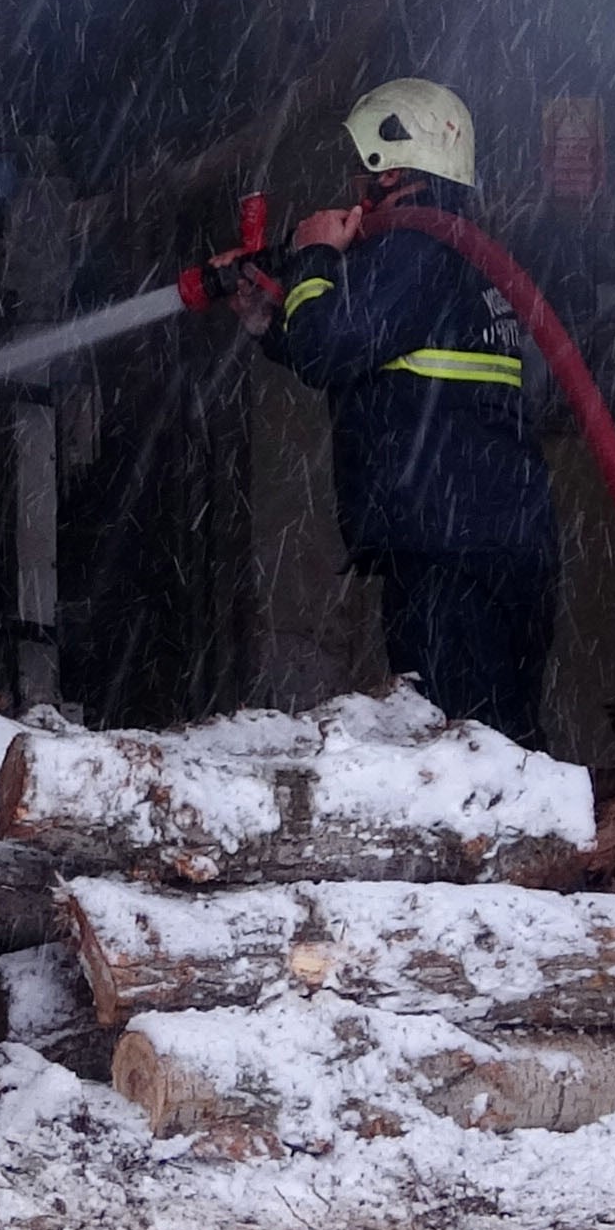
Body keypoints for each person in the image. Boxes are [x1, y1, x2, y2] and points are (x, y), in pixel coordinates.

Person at [230, 78, 561, 741]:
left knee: (460, 747)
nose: (354, 183)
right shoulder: (458, 249)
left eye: (362, 166)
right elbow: (362, 351)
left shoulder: (414, 247)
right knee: (501, 741)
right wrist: (269, 323)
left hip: (448, 554)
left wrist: (315, 253)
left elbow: (329, 349)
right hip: (492, 541)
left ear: (390, 168)